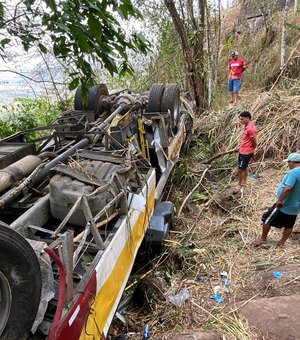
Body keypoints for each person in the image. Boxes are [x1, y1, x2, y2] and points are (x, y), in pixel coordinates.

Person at [252, 153, 300, 247]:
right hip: (295, 205)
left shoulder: (294, 172)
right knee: (289, 225)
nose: (288, 164)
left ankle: (263, 238)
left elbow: (287, 188)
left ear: (292, 162)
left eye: (288, 162)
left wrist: (280, 201)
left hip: (285, 204)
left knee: (267, 219)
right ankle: (281, 243)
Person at [233, 111, 257, 194]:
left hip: (246, 152)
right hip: (243, 150)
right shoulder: (247, 126)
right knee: (245, 166)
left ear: (247, 118)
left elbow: (254, 142)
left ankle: (239, 184)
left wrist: (252, 149)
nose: (240, 121)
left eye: (242, 119)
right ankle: (244, 181)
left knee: (240, 169)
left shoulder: (250, 128)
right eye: (240, 119)